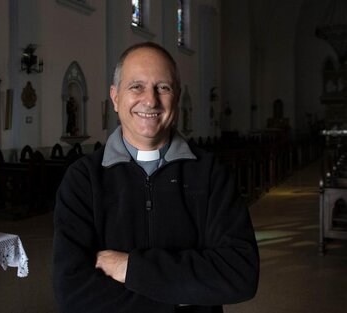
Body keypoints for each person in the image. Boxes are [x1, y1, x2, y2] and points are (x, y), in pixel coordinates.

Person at [53, 42, 259, 313]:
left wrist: (130, 269)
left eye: (163, 87)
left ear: (177, 95)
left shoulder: (210, 174)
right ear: (115, 97)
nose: (150, 100)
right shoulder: (83, 179)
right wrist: (186, 293)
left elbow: (240, 275)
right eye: (136, 86)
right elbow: (72, 292)